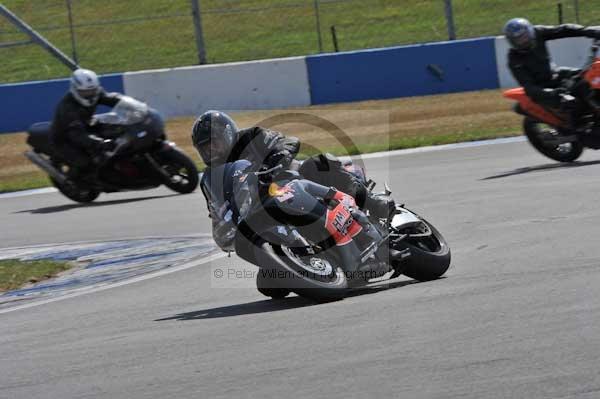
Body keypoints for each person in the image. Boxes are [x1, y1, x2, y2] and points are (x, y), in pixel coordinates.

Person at [191, 110, 394, 220]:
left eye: (213, 143)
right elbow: (216, 209)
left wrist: (278, 158)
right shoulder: (210, 177)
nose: (210, 151)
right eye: (204, 149)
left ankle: (374, 203)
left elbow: (287, 141)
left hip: (293, 181)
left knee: (318, 163)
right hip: (262, 208)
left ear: (226, 135)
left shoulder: (252, 137)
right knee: (270, 286)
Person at [503, 18, 600, 124]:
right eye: (519, 39)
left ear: (530, 32)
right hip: (541, 89)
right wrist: (550, 93)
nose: (524, 41)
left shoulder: (538, 32)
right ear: (512, 41)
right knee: (570, 103)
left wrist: (588, 31)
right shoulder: (514, 59)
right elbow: (528, 87)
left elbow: (564, 29)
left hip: (555, 74)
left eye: (525, 36)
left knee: (588, 77)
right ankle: (582, 133)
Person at [51, 68, 121, 178]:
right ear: (75, 89)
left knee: (117, 131)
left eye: (92, 91)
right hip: (65, 139)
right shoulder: (68, 108)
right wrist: (100, 143)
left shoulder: (97, 93)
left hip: (85, 126)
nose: (90, 95)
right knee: (87, 163)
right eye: (85, 92)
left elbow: (111, 99)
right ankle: (75, 181)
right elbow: (77, 135)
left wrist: (129, 103)